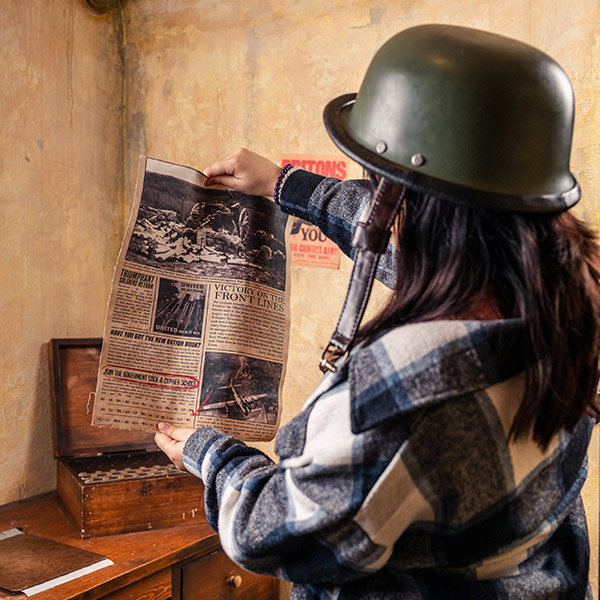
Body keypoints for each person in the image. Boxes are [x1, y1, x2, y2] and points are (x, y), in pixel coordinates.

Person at [155, 24, 600, 599]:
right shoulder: (566, 306)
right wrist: (286, 185)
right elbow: (401, 245)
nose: (379, 206)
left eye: (384, 187)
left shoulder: (404, 397)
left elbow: (268, 533)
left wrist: (208, 453)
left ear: (408, 204)